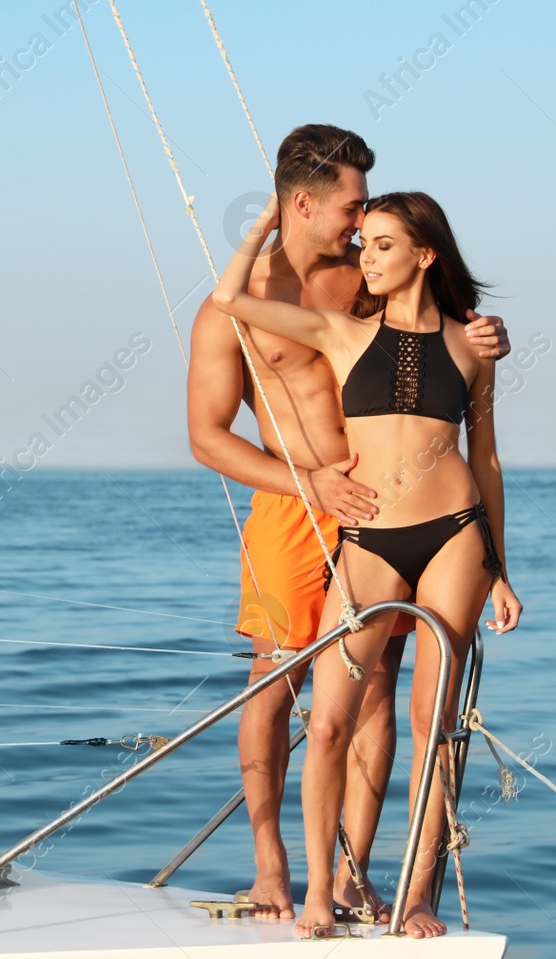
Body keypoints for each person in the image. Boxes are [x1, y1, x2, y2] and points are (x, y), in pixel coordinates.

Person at [186, 125, 509, 923]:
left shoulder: (367, 282)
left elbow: (439, 339)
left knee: (379, 695)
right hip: (294, 512)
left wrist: (488, 334)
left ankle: (352, 875)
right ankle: (272, 868)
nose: (361, 226)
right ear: (302, 202)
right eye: (352, 206)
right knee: (275, 680)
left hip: (387, 510)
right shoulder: (234, 311)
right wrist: (310, 484)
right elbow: (206, 437)